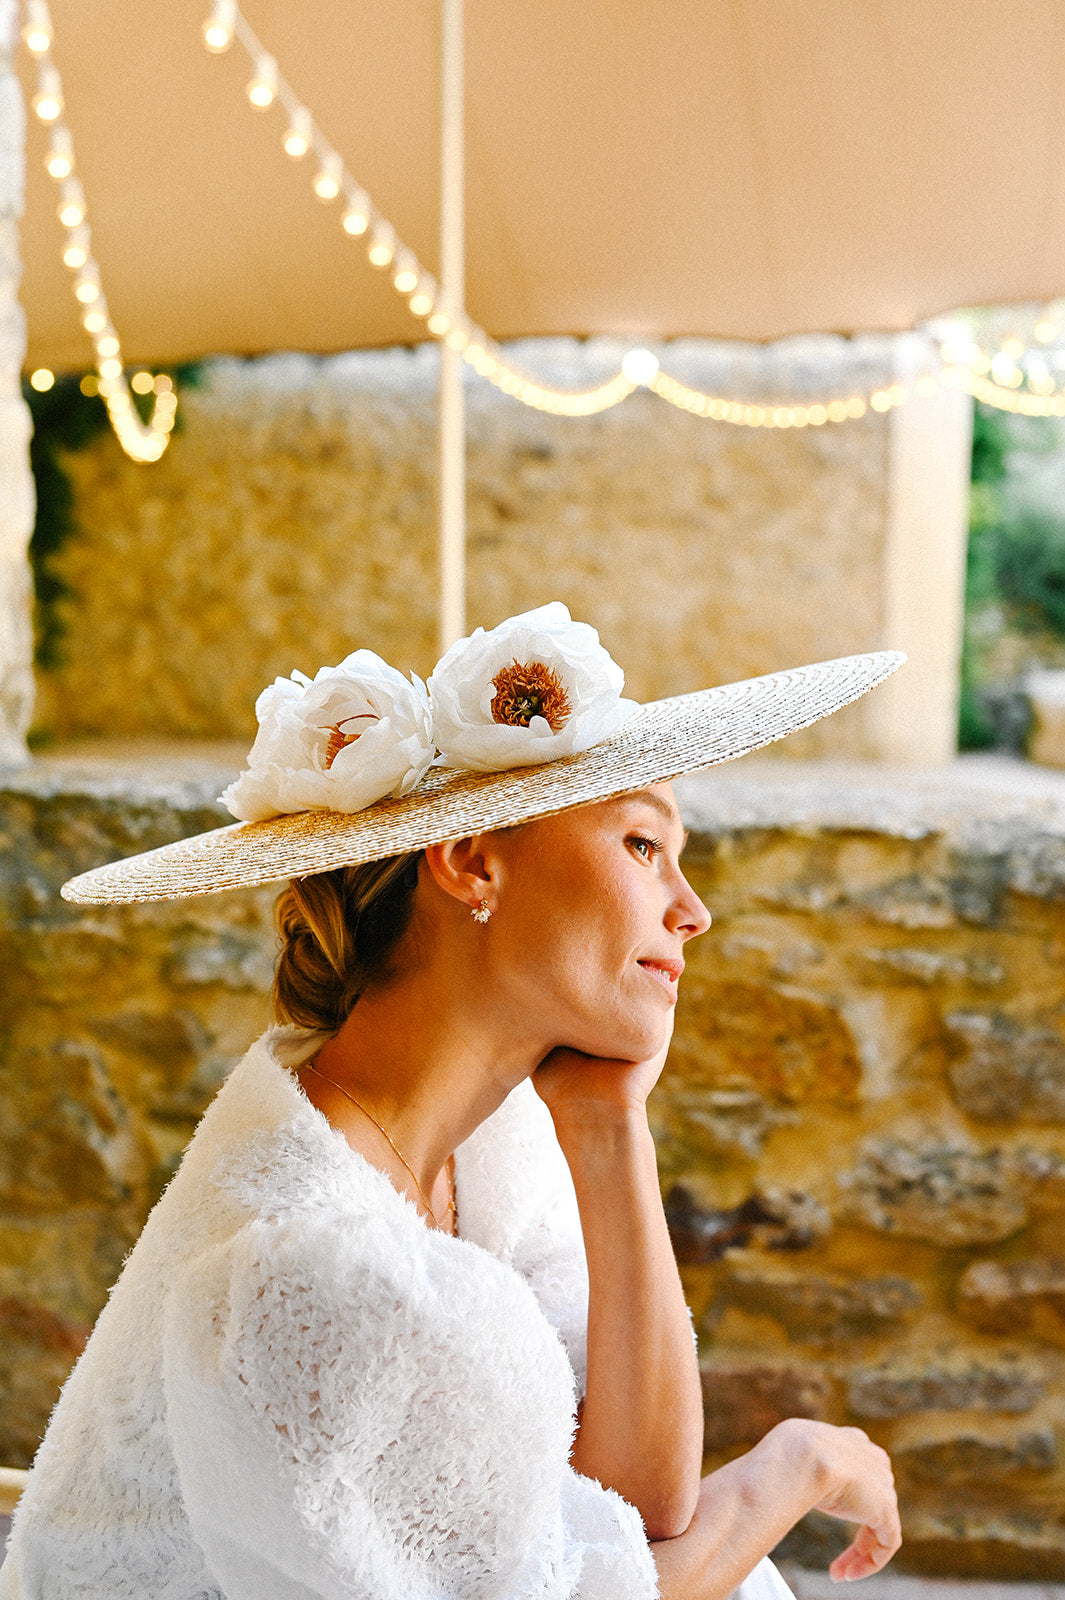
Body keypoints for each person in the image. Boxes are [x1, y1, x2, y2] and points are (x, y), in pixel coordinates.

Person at [3, 604, 904, 1600]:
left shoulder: (492, 1144)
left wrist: (611, 1128)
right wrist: (798, 1466)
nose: (693, 911)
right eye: (645, 844)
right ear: (472, 861)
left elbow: (635, 1515)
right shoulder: (313, 1267)